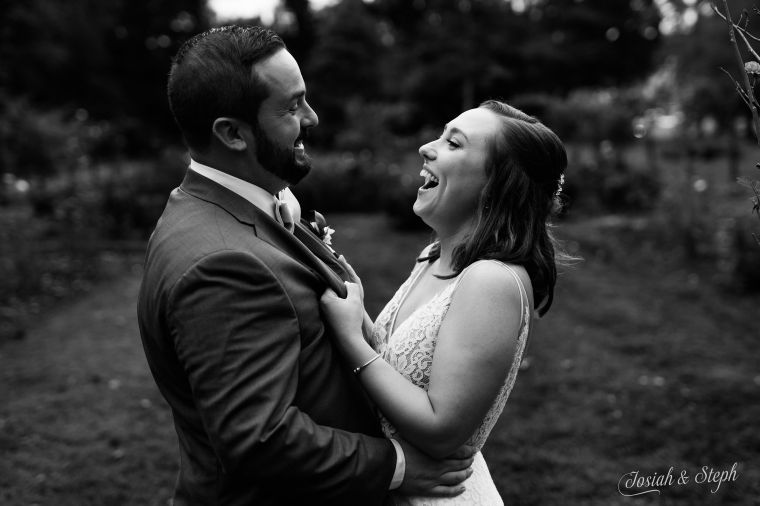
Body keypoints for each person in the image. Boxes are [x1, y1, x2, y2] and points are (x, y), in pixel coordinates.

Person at [137, 25, 474, 506]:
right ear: (232, 134)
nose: (312, 117)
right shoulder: (223, 264)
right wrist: (397, 466)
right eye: (291, 107)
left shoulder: (223, 208)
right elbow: (261, 437)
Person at [320, 100, 569, 505]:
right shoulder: (433, 257)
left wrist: (350, 340)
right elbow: (397, 365)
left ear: (495, 184)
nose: (426, 148)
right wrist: (356, 307)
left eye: (453, 143)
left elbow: (441, 429)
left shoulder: (492, 281)